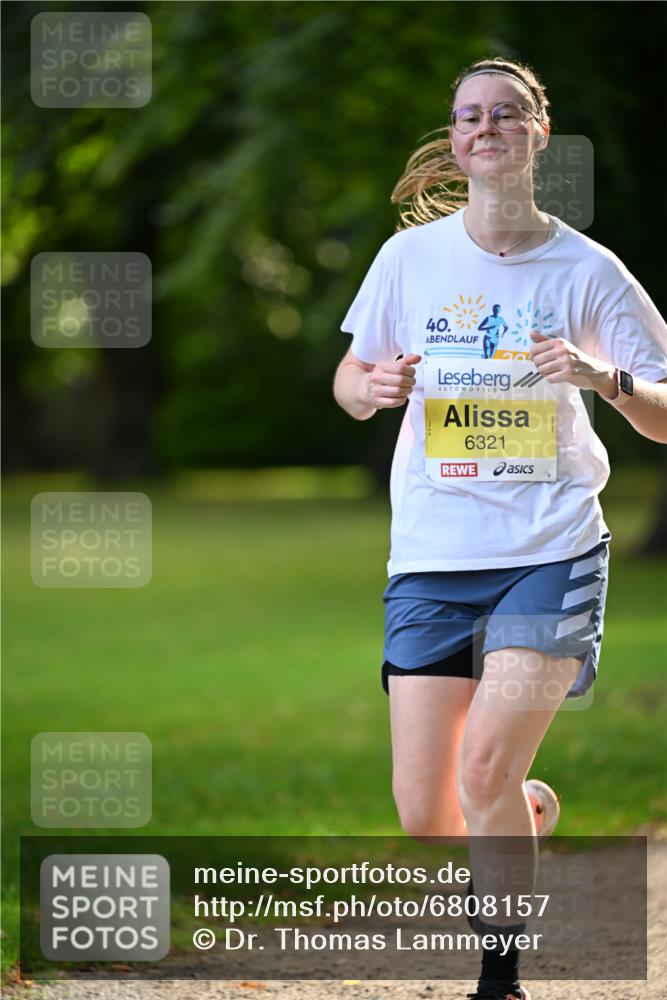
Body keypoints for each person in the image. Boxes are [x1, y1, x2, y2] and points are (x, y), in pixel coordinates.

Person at [333, 56, 667, 1000]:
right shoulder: (409, 260)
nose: (486, 127)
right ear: (454, 140)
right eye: (469, 116)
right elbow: (351, 383)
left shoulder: (587, 269)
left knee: (482, 761)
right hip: (433, 559)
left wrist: (604, 380)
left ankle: (500, 975)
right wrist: (374, 387)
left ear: (536, 134)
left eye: (506, 113)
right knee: (429, 815)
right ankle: (525, 812)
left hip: (550, 552)